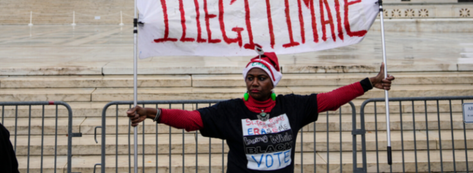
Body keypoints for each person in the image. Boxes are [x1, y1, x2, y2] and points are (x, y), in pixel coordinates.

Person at [127, 49, 394, 173]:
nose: (254, 83)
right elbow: (191, 119)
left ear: (273, 81)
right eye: (250, 77)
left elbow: (332, 99)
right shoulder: (230, 111)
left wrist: (369, 83)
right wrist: (152, 113)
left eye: (261, 78)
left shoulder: (292, 106)